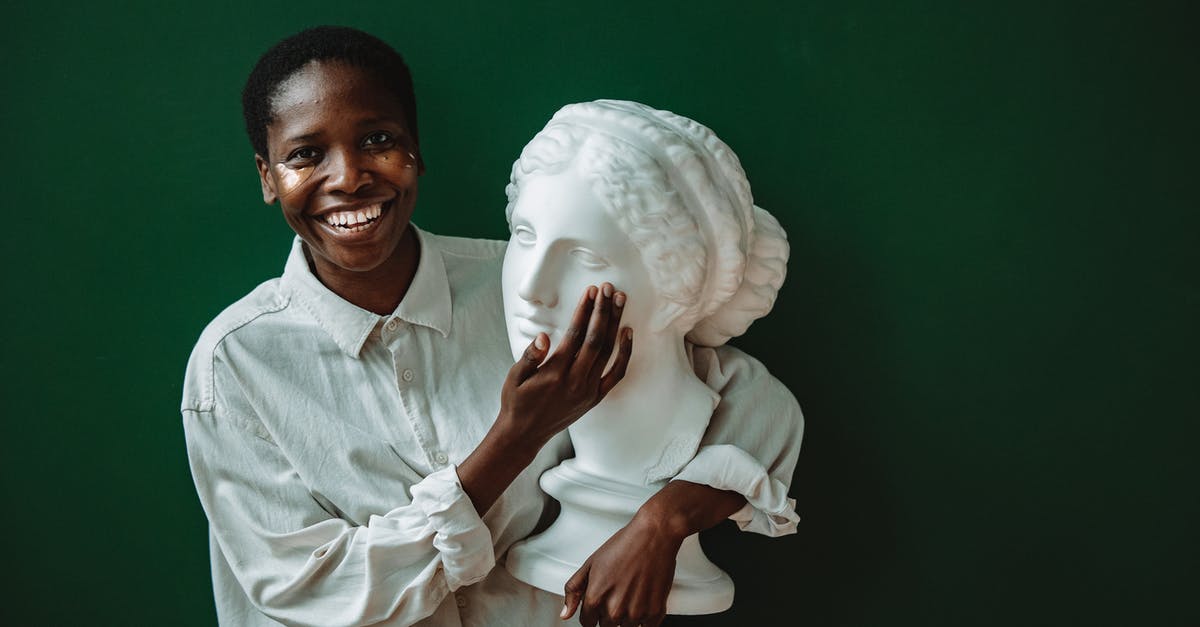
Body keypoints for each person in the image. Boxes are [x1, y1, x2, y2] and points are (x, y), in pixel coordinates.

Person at [182, 26, 802, 627]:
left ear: (416, 151)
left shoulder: (519, 280)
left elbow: (742, 395)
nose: (348, 177)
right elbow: (311, 590)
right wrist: (513, 439)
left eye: (377, 140)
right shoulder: (236, 366)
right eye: (305, 154)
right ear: (267, 176)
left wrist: (663, 520)